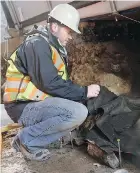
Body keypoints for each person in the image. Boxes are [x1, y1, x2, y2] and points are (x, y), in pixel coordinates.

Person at [3, 4, 100, 161]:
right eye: (69, 31)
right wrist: (84, 92)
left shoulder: (52, 47)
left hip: (32, 104)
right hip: (21, 106)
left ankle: (32, 139)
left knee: (77, 109)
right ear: (55, 27)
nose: (70, 36)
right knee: (77, 112)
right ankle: (26, 140)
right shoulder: (37, 44)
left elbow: (56, 84)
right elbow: (50, 83)